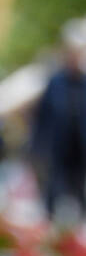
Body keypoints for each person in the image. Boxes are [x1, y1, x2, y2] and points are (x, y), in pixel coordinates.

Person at [32, 33, 86, 218]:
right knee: (54, 191)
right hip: (58, 148)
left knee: (80, 191)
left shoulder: (83, 83)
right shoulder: (55, 83)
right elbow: (42, 118)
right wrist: (38, 149)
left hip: (80, 148)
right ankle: (51, 225)